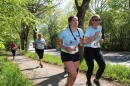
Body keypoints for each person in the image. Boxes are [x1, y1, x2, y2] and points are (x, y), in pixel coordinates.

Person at [56, 15, 84, 86]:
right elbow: (57, 41)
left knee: (74, 76)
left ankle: (67, 85)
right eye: (73, 20)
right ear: (69, 22)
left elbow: (81, 43)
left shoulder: (80, 31)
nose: (76, 22)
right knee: (73, 74)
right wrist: (65, 48)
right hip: (66, 54)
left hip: (76, 53)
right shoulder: (64, 31)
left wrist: (82, 43)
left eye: (77, 20)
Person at [82, 14, 106, 86]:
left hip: (97, 48)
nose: (98, 21)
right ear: (92, 21)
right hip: (88, 49)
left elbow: (98, 38)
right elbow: (85, 41)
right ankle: (88, 81)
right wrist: (94, 36)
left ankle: (96, 79)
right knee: (91, 67)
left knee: (102, 65)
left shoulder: (100, 27)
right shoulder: (89, 29)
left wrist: (100, 40)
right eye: (96, 20)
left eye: (99, 20)